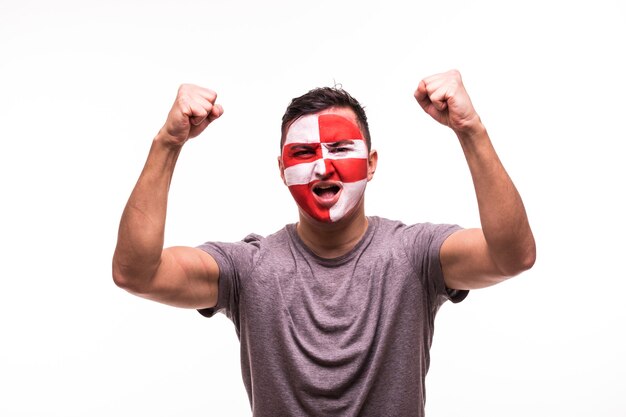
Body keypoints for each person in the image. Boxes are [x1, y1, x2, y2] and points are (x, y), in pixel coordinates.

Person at [112, 69, 536, 417]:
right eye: (303, 153)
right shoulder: (249, 268)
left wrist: (470, 129)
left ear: (371, 165)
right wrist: (167, 143)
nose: (322, 166)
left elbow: (513, 255)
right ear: (281, 169)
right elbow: (136, 273)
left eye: (339, 147)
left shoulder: (414, 254)